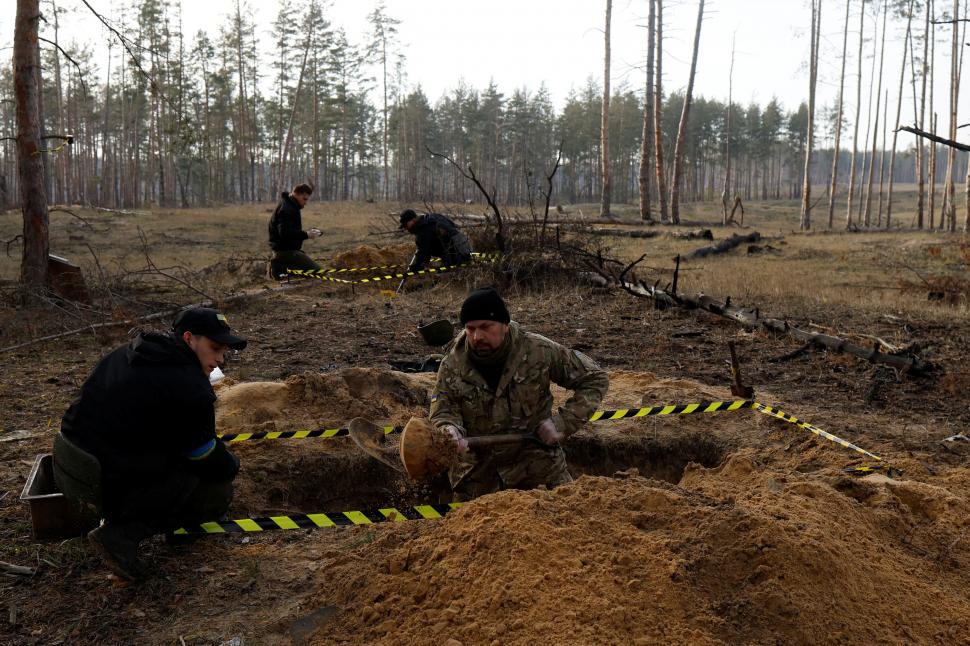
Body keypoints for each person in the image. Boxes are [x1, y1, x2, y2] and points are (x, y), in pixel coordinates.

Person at [56, 307, 247, 581]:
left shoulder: (132, 352)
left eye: (224, 352)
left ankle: (158, 523)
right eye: (215, 348)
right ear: (189, 338)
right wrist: (231, 466)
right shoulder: (190, 387)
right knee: (210, 485)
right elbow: (204, 455)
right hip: (97, 479)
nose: (220, 360)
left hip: (69, 459)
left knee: (178, 457)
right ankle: (120, 536)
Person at [429, 287, 609, 501]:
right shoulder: (452, 363)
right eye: (470, 329)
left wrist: (563, 423)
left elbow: (594, 378)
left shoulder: (537, 350)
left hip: (538, 471)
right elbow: (443, 411)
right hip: (478, 479)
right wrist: (450, 431)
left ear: (505, 325)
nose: (477, 336)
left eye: (486, 327)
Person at [269, 183, 322, 277]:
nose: (306, 202)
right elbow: (285, 233)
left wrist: (309, 233)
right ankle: (279, 269)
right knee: (318, 272)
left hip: (289, 250)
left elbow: (290, 230)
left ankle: (281, 268)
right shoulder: (286, 209)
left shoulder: (292, 206)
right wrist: (306, 235)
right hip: (284, 252)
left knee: (311, 270)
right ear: (295, 194)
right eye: (304, 199)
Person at [399, 209, 473, 271]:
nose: (406, 228)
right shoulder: (431, 217)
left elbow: (424, 255)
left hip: (456, 253)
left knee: (443, 276)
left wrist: (415, 268)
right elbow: (452, 225)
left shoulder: (423, 231)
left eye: (406, 225)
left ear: (413, 220)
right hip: (465, 247)